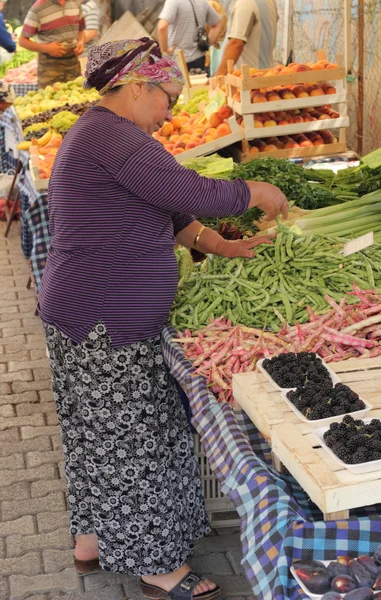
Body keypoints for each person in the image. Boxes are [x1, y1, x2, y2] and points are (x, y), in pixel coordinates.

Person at [39, 37, 288, 600]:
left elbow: (167, 208)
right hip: (103, 317)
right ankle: (158, 568)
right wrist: (254, 189)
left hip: (82, 312)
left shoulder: (106, 135)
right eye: (167, 100)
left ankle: (93, 541)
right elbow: (187, 189)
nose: (169, 113)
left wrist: (219, 247)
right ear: (137, 86)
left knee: (94, 435)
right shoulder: (111, 134)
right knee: (138, 436)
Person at [18, 0, 85, 89]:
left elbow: (81, 30)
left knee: (77, 99)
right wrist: (47, 48)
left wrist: (81, 42)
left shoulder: (75, 3)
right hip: (49, 68)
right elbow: (22, 41)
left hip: (73, 64)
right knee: (50, 100)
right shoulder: (38, 8)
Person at [158, 0, 224, 73]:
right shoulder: (202, 2)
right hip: (198, 60)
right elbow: (218, 23)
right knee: (199, 84)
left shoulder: (173, 2)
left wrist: (164, 51)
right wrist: (208, 43)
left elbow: (162, 27)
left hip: (176, 61)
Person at [215, 0, 278, 76]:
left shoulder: (245, 3)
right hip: (265, 75)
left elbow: (236, 44)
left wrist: (219, 75)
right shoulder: (270, 2)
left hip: (249, 80)